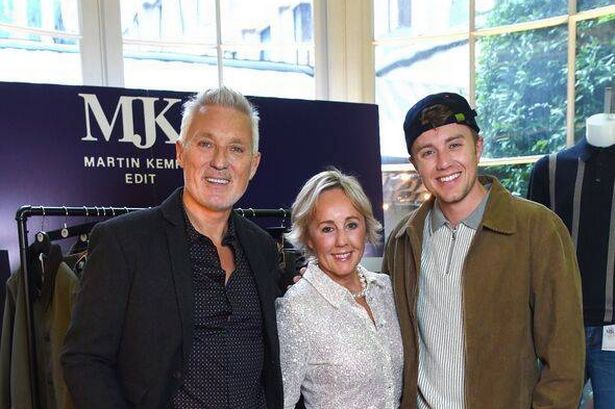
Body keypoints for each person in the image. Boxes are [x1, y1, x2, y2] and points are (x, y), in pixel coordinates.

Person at [61, 87, 284, 409]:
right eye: (206, 144)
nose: (220, 162)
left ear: (253, 164)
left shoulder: (262, 247)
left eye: (236, 148)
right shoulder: (124, 242)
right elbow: (84, 359)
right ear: (180, 152)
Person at [382, 92, 585, 409]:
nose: (444, 162)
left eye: (455, 144)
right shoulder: (403, 240)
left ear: (478, 146)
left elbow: (565, 362)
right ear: (415, 164)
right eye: (427, 152)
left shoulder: (538, 230)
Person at [276, 168, 403, 409]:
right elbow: (282, 402)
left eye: (351, 225)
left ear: (365, 227)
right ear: (309, 238)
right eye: (327, 228)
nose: (342, 241)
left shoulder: (385, 289)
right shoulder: (296, 309)